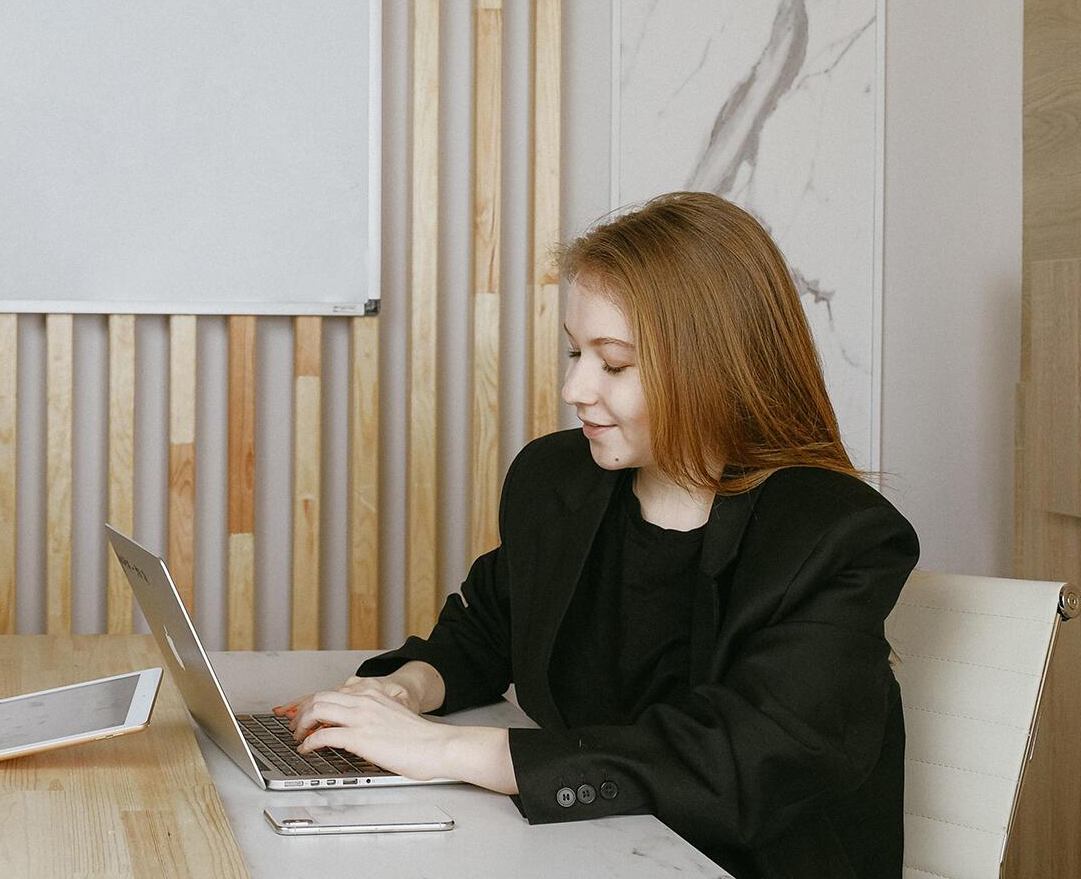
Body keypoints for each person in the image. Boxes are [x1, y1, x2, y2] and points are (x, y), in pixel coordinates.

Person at [281, 192, 918, 879]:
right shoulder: (558, 477)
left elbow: (741, 761)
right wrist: (405, 690)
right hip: (591, 850)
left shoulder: (837, 534)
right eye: (575, 352)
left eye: (613, 364)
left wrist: (449, 752)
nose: (574, 388)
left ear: (715, 366)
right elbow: (489, 626)